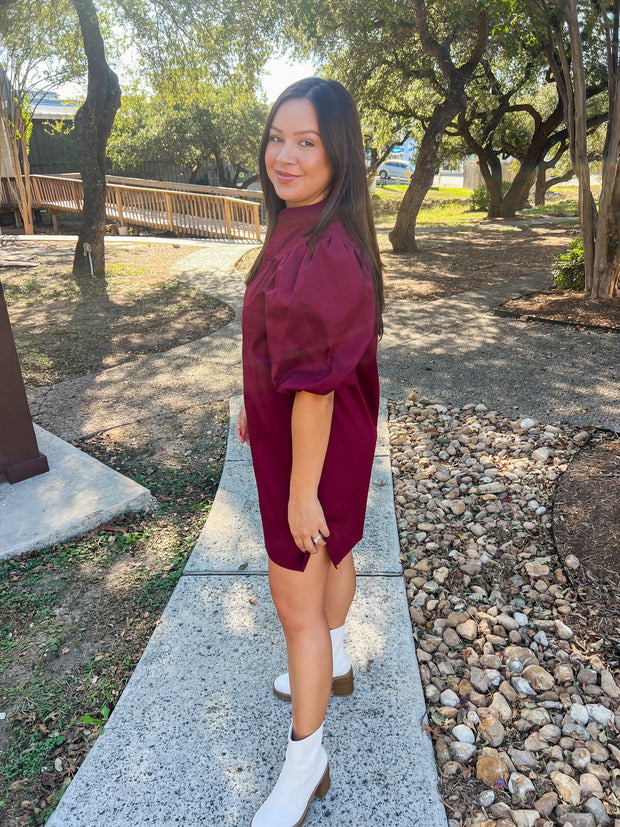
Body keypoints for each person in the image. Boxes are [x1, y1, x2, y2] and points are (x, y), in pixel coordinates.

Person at [236, 77, 384, 827]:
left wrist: (300, 491)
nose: (283, 156)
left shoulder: (322, 244)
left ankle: (306, 762)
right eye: (276, 137)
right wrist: (248, 399)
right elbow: (283, 338)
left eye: (306, 142)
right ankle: (339, 657)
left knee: (295, 596)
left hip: (314, 439)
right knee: (336, 548)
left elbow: (316, 389)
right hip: (319, 429)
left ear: (339, 154)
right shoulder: (304, 220)